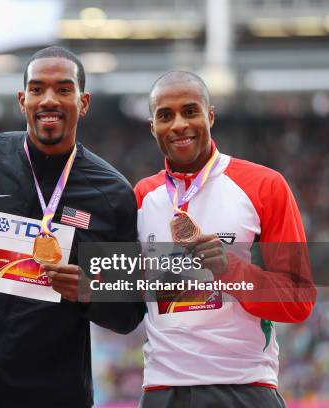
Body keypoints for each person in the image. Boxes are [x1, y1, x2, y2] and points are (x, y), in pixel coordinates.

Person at [0, 46, 145, 408]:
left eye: (63, 89)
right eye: (38, 88)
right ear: (21, 98)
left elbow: (127, 313)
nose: (49, 100)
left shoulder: (111, 194)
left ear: (84, 101)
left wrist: (89, 290)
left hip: (54, 394)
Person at [134, 71, 316, 407]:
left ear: (210, 115)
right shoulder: (142, 196)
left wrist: (232, 270)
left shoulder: (264, 186)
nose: (178, 125)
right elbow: (124, 293)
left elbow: (299, 300)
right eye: (165, 115)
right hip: (162, 390)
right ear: (152, 126)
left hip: (244, 386)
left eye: (190, 111)